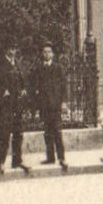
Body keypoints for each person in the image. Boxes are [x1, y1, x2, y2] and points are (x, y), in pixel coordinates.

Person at [0, 45, 30, 175]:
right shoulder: (0, 64)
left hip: (17, 104)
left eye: (14, 48)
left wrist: (24, 88)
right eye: (10, 48)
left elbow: (23, 79)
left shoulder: (18, 63)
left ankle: (17, 160)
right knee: (4, 133)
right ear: (6, 50)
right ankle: (0, 162)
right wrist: (3, 91)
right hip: (6, 104)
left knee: (18, 133)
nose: (12, 50)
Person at [31, 41, 68, 172]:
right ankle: (50, 157)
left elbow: (64, 86)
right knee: (47, 132)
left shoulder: (58, 68)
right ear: (42, 54)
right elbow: (36, 87)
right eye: (44, 52)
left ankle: (61, 157)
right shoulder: (39, 68)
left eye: (49, 52)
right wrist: (36, 106)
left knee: (57, 131)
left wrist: (64, 102)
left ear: (53, 54)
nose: (47, 54)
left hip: (56, 104)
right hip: (44, 105)